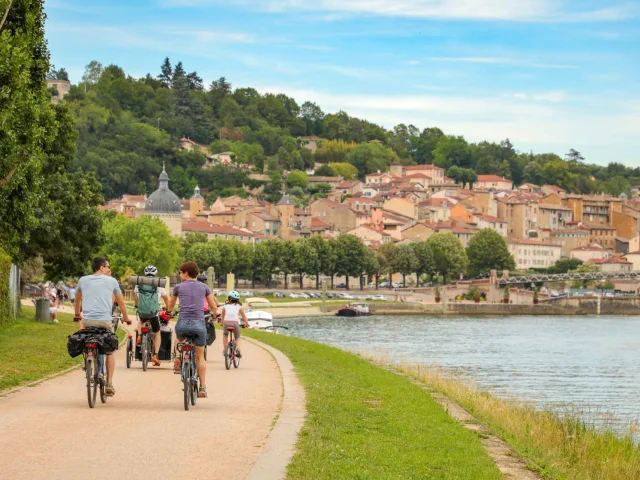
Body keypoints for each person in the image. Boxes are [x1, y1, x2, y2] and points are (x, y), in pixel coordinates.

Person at [74, 257, 132, 396]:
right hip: (105, 321)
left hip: (87, 321)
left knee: (88, 337)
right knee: (110, 351)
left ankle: (88, 358)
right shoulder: (112, 281)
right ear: (101, 268)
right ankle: (109, 383)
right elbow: (121, 303)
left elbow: (77, 299)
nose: (108, 269)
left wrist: (77, 314)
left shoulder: (83, 280)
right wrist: (125, 318)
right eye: (107, 267)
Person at [167, 262, 219, 398]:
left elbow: (171, 304)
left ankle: (178, 357)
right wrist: (215, 315)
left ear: (185, 273)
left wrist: (168, 311)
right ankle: (202, 387)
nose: (179, 275)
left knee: (178, 338)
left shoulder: (178, 287)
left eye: (180, 272)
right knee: (199, 356)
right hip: (199, 325)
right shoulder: (204, 287)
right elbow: (213, 306)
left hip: (183, 323)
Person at [133, 265, 170, 366]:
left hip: (142, 311)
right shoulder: (158, 284)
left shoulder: (139, 284)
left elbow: (135, 297)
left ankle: (140, 336)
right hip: (154, 313)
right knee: (157, 332)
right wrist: (168, 309)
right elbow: (166, 299)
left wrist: (137, 305)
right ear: (155, 273)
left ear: (145, 273)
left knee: (141, 322)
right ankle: (155, 355)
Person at [220, 290, 249, 358]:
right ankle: (238, 350)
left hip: (226, 322)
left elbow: (223, 315)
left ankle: (225, 349)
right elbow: (244, 316)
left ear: (229, 298)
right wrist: (246, 323)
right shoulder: (239, 306)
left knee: (225, 335)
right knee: (237, 337)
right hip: (235, 323)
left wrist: (222, 323)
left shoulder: (225, 306)